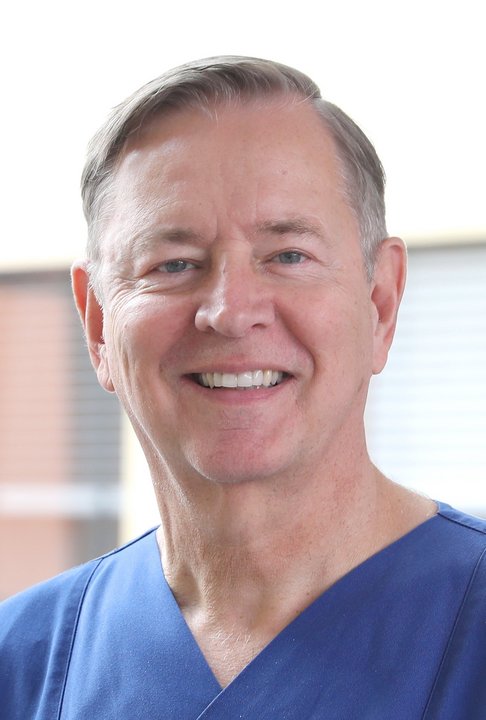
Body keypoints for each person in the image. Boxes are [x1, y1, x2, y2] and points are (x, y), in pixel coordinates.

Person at [1, 56, 486, 720]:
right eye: (174, 264)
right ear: (97, 324)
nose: (230, 312)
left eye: (288, 255)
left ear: (380, 303)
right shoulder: (21, 667)